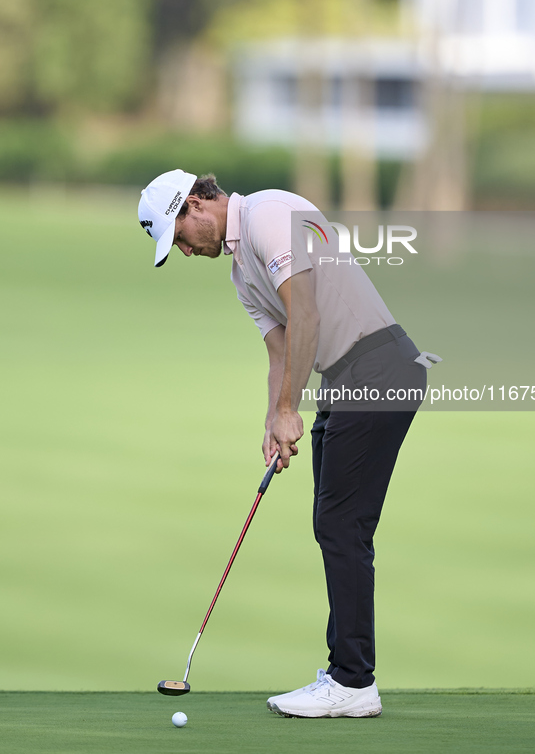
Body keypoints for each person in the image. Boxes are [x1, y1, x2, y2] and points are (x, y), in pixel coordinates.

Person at [138, 168, 439, 718]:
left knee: (341, 525)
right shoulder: (240, 275)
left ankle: (353, 683)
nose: (183, 251)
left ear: (198, 206)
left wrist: (287, 410)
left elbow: (306, 311)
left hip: (378, 365)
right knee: (335, 525)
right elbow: (279, 350)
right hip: (346, 378)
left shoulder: (270, 214)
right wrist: (273, 419)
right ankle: (347, 674)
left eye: (179, 237)